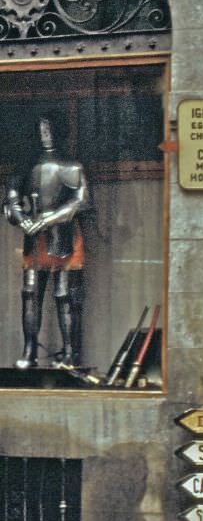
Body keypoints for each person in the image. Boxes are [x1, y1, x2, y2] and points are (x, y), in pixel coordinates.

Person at [3, 115, 90, 369]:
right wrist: (22, 218)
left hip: (62, 234)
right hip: (34, 235)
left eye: (49, 128)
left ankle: (70, 352)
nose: (45, 133)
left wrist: (52, 217)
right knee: (30, 293)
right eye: (41, 129)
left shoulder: (72, 166)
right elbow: (11, 198)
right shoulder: (26, 166)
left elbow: (82, 200)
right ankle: (29, 350)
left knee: (64, 295)